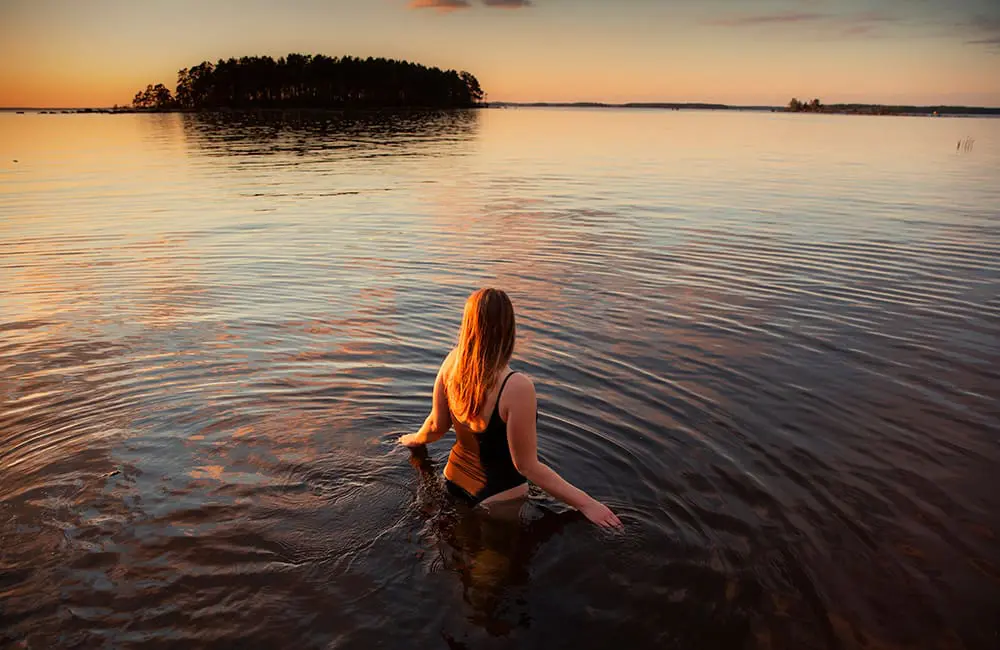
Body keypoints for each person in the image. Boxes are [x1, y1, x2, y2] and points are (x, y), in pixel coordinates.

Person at [398, 288, 622, 529]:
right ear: (509, 329)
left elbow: (436, 426)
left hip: (453, 480)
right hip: (497, 497)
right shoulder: (516, 386)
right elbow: (526, 466)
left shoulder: (451, 363)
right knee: (496, 566)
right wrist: (587, 504)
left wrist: (413, 440)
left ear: (468, 325)